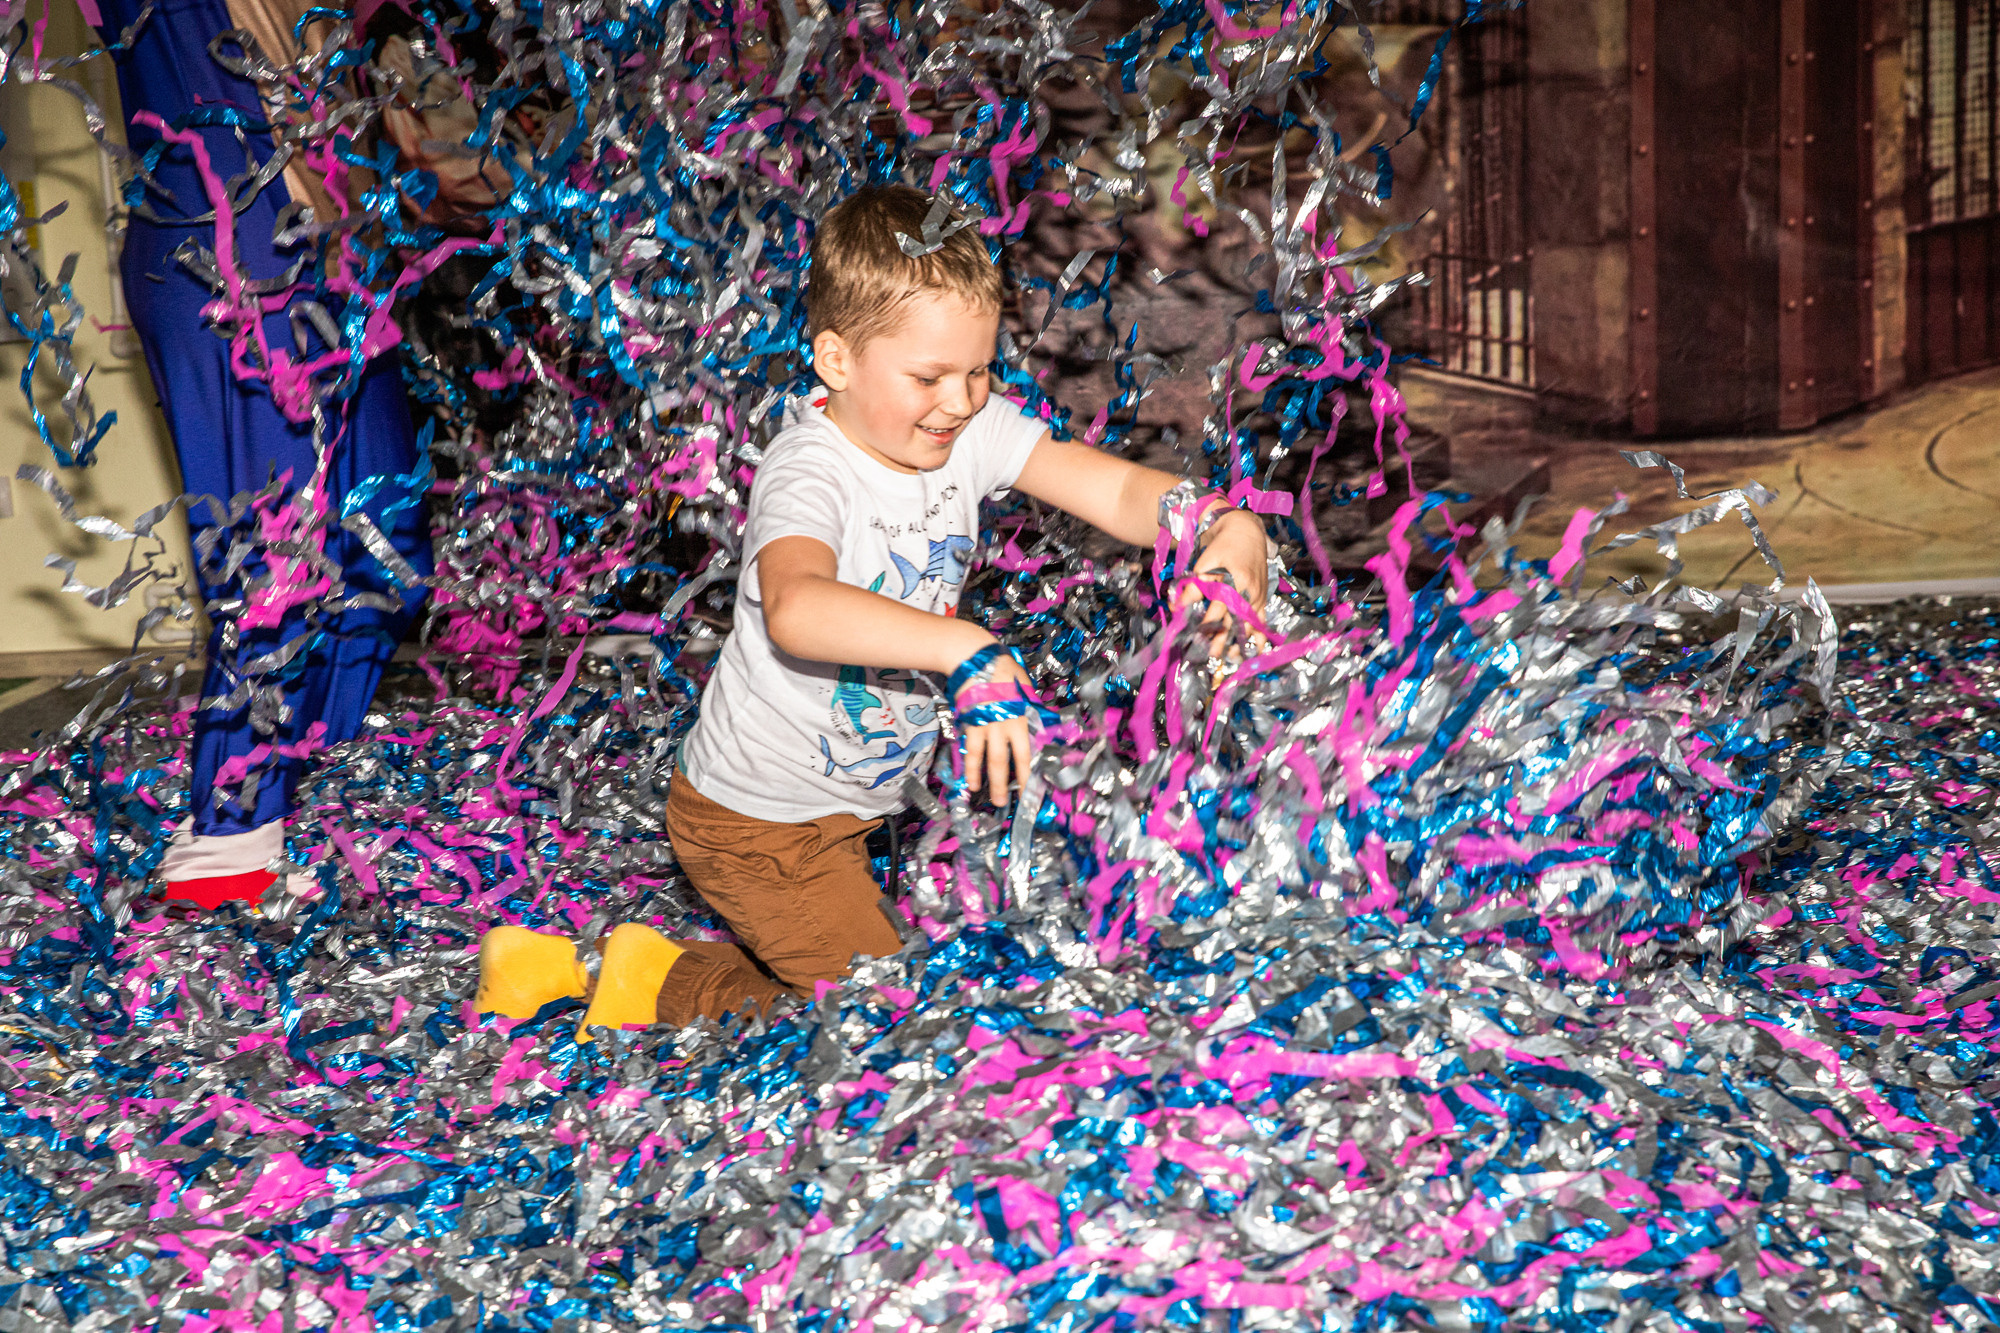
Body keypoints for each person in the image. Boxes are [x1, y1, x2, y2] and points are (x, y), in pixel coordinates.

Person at [473, 184, 1271, 1032]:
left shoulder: (967, 431)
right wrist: (962, 646)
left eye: (979, 370)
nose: (961, 400)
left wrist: (1216, 520)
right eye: (929, 377)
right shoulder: (808, 468)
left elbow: (1111, 490)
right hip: (758, 825)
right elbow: (797, 606)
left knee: (875, 983)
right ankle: (643, 984)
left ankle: (606, 966)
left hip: (854, 812)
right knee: (885, 1020)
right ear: (837, 360)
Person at [83, 0, 496, 907]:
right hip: (223, 260)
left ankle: (308, 772)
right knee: (277, 566)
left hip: (332, 262)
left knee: (388, 547)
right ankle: (227, 846)